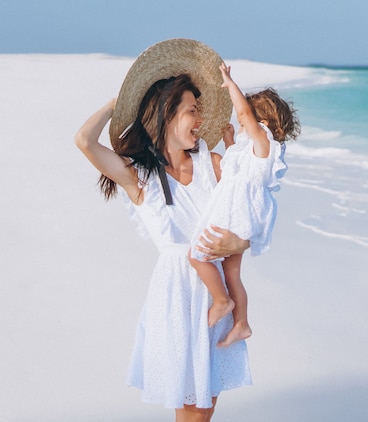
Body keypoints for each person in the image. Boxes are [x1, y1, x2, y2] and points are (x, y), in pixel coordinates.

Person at [74, 39, 252, 422]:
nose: (200, 120)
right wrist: (121, 102)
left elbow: (249, 213)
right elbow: (84, 141)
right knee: (189, 409)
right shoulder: (139, 176)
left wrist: (241, 242)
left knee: (203, 409)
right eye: (192, 111)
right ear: (168, 114)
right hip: (173, 295)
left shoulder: (214, 165)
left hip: (213, 294)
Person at [189, 63, 301, 348]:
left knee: (197, 255)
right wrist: (229, 142)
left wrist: (229, 83)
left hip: (236, 212)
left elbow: (244, 113)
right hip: (241, 211)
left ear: (261, 122)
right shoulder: (253, 152)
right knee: (232, 272)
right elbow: (237, 171)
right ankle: (241, 323)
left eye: (246, 121)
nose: (241, 125)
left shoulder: (264, 144)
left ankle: (222, 301)